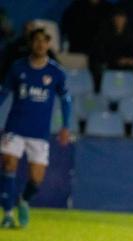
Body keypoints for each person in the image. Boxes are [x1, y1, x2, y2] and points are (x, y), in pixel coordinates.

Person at [0, 29, 71, 228]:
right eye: (37, 41)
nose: (40, 45)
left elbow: (66, 100)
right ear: (31, 44)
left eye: (44, 41)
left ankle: (23, 200)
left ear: (49, 44)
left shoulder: (56, 72)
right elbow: (4, 93)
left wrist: (66, 125)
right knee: (8, 164)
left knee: (36, 179)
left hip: (39, 133)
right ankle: (7, 214)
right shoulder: (17, 68)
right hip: (15, 128)